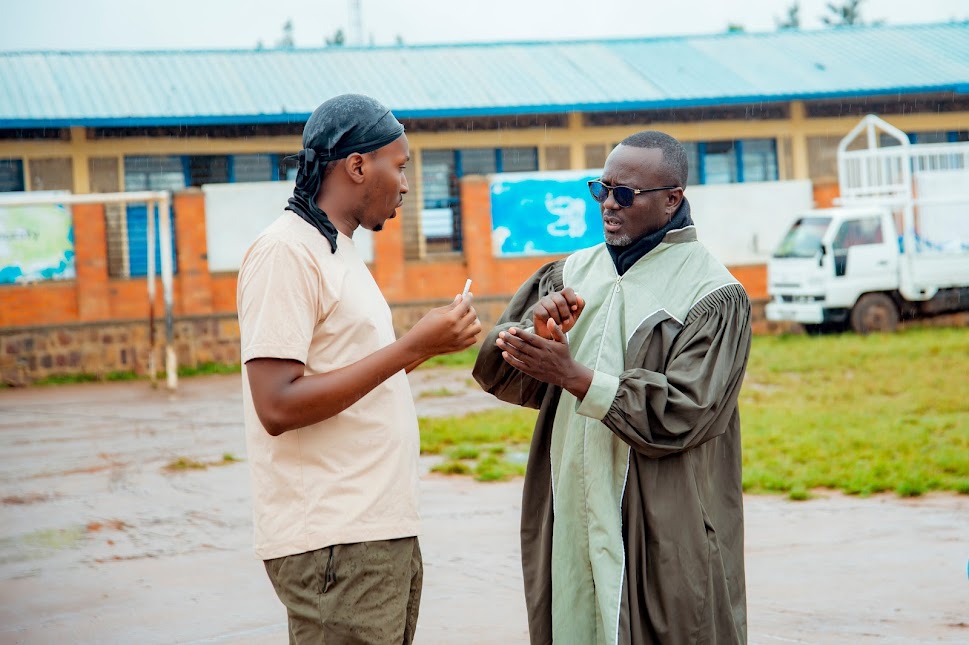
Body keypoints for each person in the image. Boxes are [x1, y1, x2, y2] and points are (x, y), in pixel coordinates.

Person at [473, 131, 751, 644]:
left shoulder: (712, 293)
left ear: (672, 199)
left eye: (625, 194)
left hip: (662, 517)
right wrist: (533, 332)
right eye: (601, 189)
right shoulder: (570, 274)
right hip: (568, 500)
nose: (608, 205)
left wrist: (575, 376)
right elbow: (499, 372)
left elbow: (688, 411)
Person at [237, 93, 480, 644]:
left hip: (375, 531)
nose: (406, 185)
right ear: (357, 166)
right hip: (335, 542)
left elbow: (349, 378)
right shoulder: (286, 252)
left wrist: (426, 348)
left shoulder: (337, 250)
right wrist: (409, 347)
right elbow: (276, 404)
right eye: (400, 166)